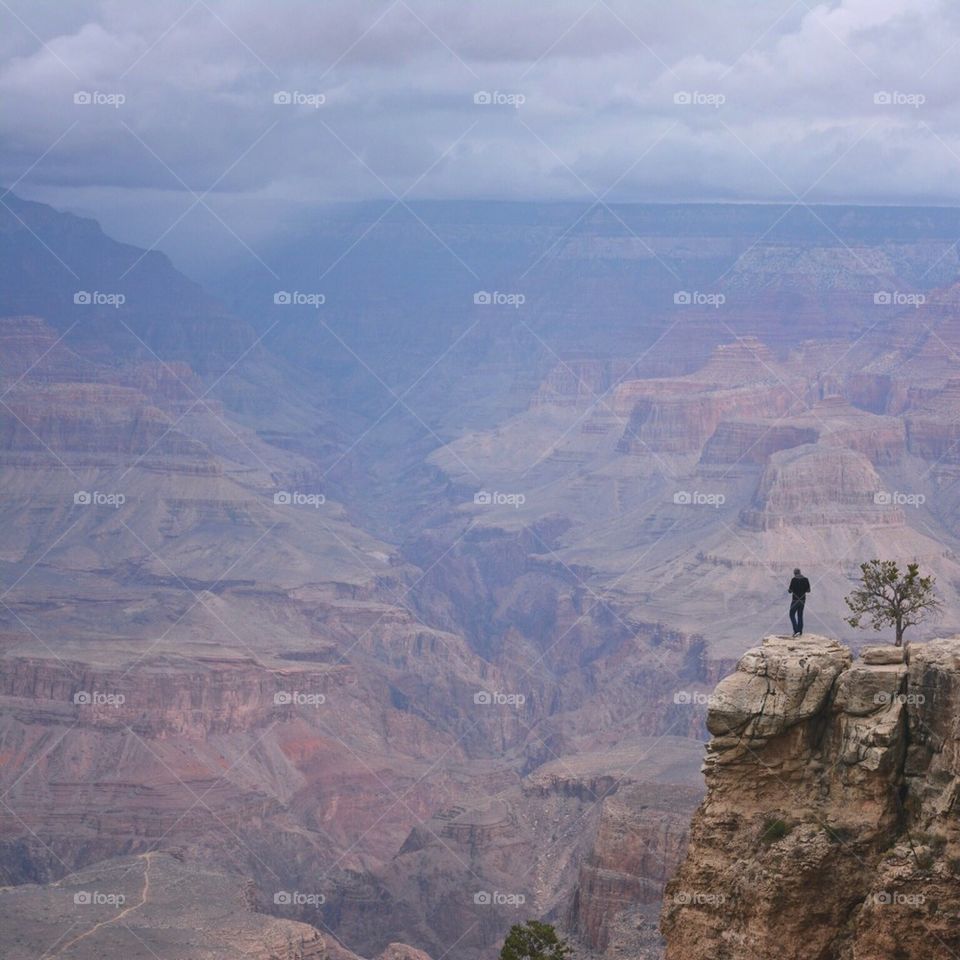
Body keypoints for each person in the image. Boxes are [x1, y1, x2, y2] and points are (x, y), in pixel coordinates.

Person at [787, 567, 811, 636]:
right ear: (800, 572)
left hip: (795, 600)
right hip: (803, 600)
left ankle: (796, 630)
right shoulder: (806, 579)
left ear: (794, 573)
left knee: (791, 614)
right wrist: (803, 590)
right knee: (800, 615)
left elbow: (790, 591)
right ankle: (800, 632)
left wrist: (791, 590)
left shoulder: (794, 580)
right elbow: (808, 590)